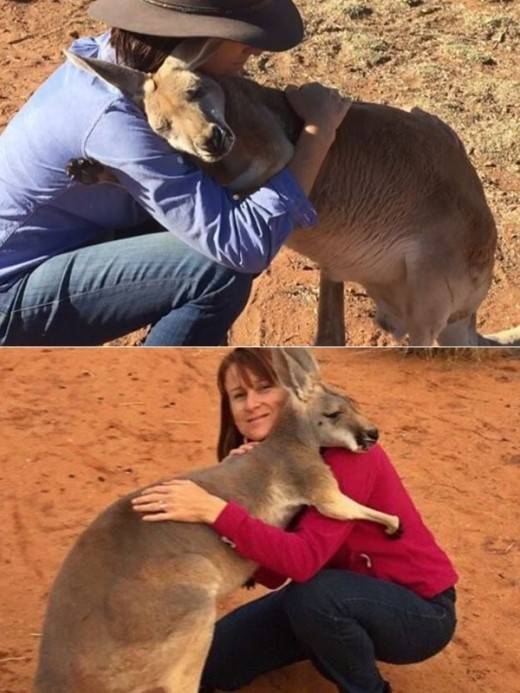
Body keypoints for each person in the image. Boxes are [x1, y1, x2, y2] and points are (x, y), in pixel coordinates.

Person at [0, 0, 351, 346]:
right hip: (10, 291)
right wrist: (319, 131)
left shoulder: (116, 63)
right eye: (237, 35)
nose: (254, 51)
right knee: (217, 272)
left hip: (70, 243)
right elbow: (244, 247)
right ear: (194, 43)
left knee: (203, 210)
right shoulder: (114, 119)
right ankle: (160, 391)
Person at [132, 348, 458, 693]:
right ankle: (325, 641)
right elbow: (273, 574)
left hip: (419, 611)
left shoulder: (348, 456)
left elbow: (302, 563)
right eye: (239, 395)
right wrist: (240, 490)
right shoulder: (272, 465)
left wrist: (216, 512)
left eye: (264, 388)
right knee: (207, 663)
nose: (252, 404)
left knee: (314, 598)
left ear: (292, 391)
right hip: (334, 595)